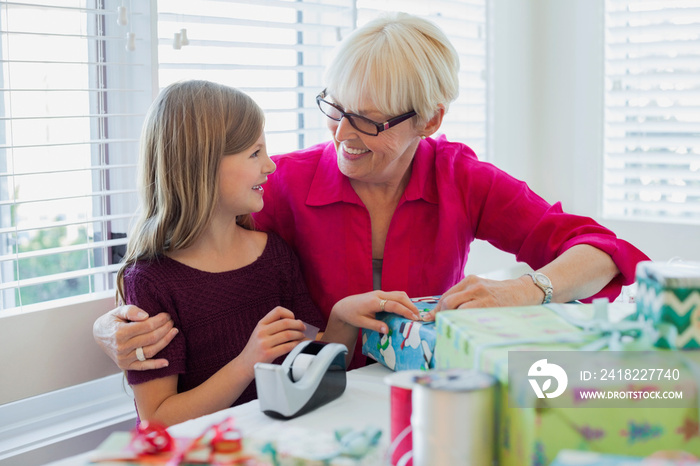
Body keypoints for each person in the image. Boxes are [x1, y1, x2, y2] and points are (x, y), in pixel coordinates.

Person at [94, 12, 649, 374]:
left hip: (417, 393)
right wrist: (112, 323)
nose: (342, 135)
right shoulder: (284, 183)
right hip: (316, 396)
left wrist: (530, 289)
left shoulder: (460, 177)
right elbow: (182, 254)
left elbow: (602, 251)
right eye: (335, 109)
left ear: (428, 120)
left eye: (367, 121)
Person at [117, 79, 419, 426]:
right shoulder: (151, 281)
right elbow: (157, 419)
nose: (270, 166)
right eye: (254, 153)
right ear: (203, 164)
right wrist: (249, 362)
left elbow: (312, 362)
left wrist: (341, 317)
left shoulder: (272, 254)